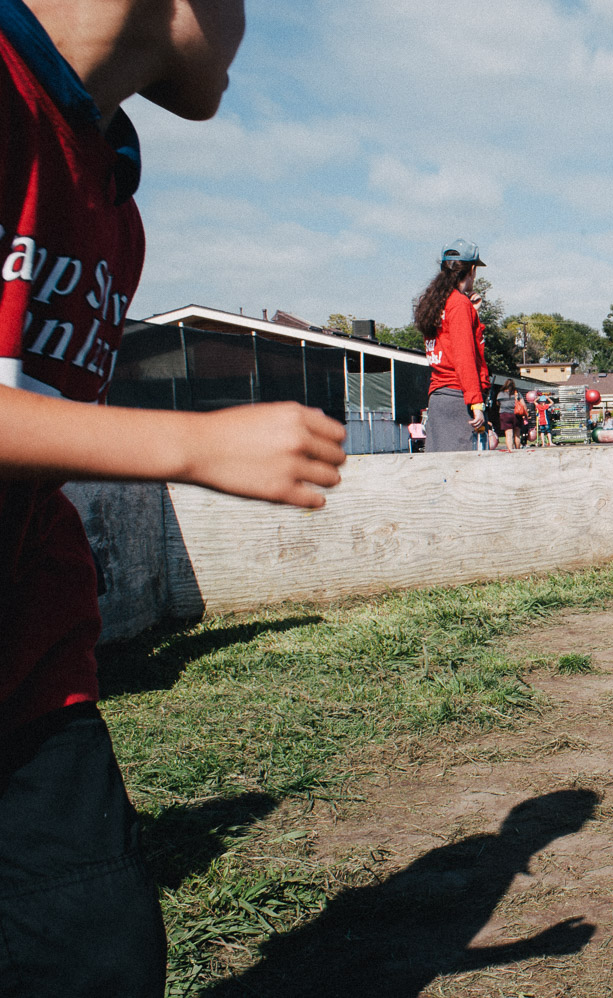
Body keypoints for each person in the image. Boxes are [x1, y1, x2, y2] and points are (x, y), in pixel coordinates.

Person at [0, 2, 348, 994]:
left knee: (100, 954)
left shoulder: (113, 199)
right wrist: (188, 443)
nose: (251, 36)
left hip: (30, 671)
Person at [415, 239, 489, 451]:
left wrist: (472, 315)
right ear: (472, 269)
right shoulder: (458, 303)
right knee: (461, 475)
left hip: (438, 399)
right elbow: (464, 358)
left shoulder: (435, 302)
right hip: (459, 398)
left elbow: (446, 345)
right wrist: (476, 403)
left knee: (439, 473)